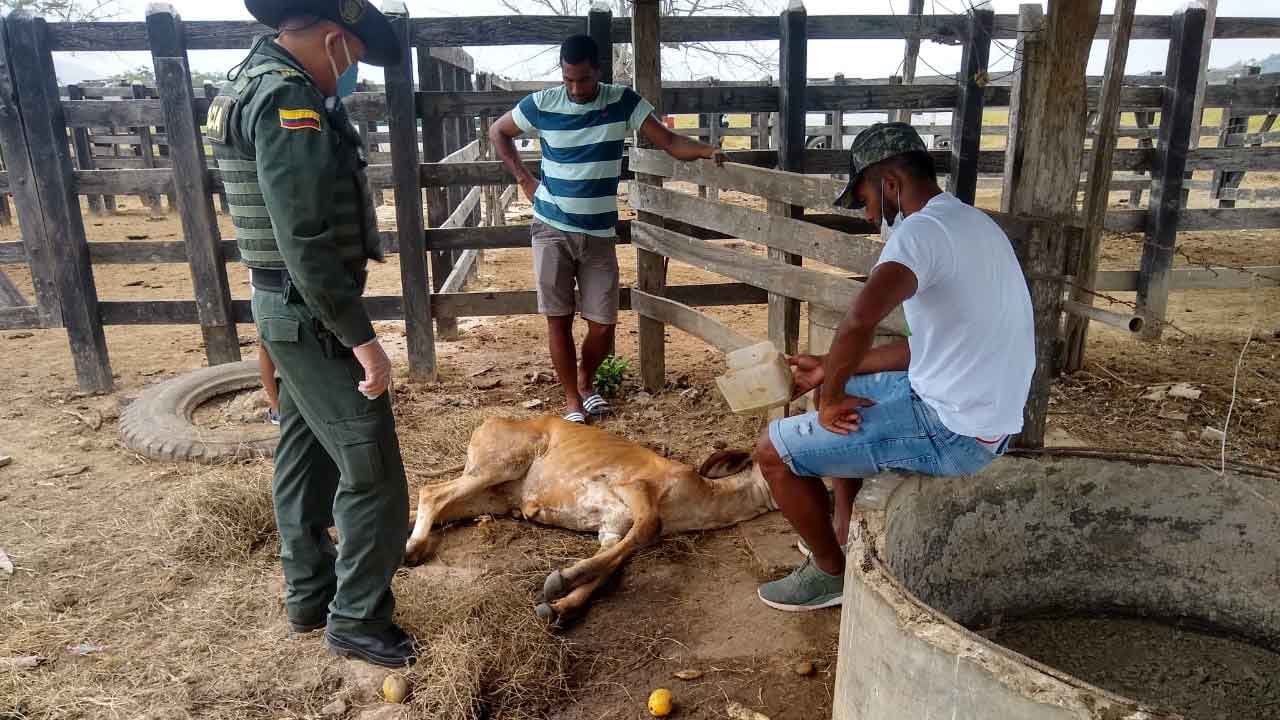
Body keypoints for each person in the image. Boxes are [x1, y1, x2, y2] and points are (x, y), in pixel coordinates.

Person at [206, 0, 414, 667]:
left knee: (302, 447)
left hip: (283, 306)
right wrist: (362, 338)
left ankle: (309, 594)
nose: (350, 71)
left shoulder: (251, 77)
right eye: (350, 55)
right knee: (373, 472)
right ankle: (357, 619)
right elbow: (302, 238)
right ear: (333, 39)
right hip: (310, 312)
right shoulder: (288, 101)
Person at [753, 122, 1035, 612]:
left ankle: (829, 573)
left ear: (889, 183)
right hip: (986, 415)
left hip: (954, 429)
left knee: (772, 452)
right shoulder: (972, 223)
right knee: (837, 381)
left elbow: (858, 321)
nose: (868, 216)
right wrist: (829, 371)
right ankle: (842, 525)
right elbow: (921, 348)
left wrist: (835, 392)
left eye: (864, 198)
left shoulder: (918, 233)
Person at [489, 34, 726, 424]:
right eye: (568, 80)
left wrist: (706, 149)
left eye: (583, 79)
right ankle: (572, 402)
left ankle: (586, 381)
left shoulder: (622, 101)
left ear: (598, 71)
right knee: (559, 317)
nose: (576, 89)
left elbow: (666, 140)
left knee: (603, 323)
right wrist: (524, 179)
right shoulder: (542, 104)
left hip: (599, 233)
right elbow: (499, 131)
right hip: (551, 226)